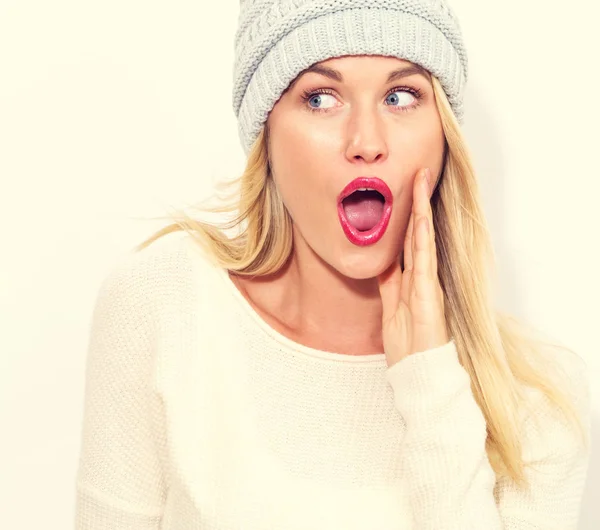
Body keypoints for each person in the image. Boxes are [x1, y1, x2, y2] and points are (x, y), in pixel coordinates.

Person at [74, 0, 591, 528]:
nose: (366, 142)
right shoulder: (162, 304)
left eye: (400, 96)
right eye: (320, 98)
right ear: (265, 134)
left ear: (443, 133)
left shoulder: (538, 402)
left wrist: (431, 382)